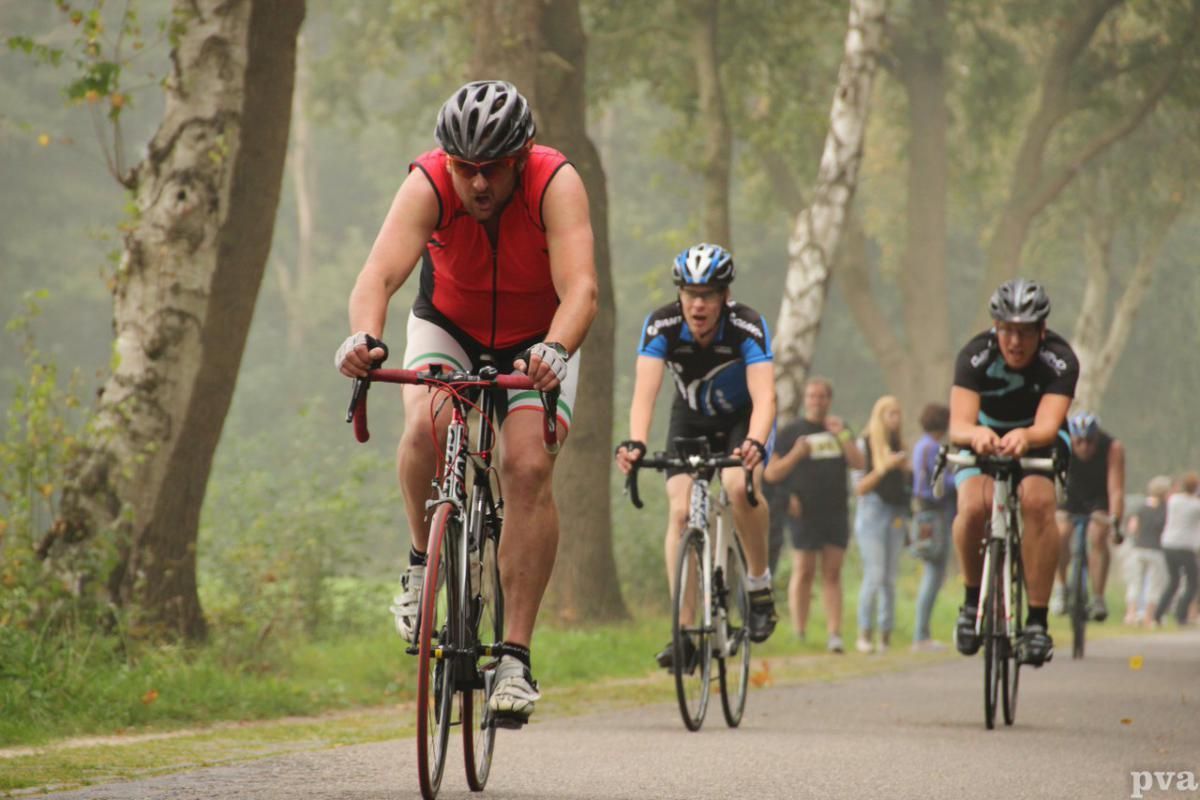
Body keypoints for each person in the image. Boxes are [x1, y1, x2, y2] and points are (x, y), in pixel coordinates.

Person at [335, 80, 598, 727]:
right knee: (428, 424)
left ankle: (514, 657)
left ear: (522, 156)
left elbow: (582, 288)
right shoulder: (426, 182)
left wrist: (557, 349)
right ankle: (423, 564)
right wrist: (365, 336)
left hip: (540, 338)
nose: (477, 184)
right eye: (465, 169)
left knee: (528, 466)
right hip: (448, 325)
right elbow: (380, 274)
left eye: (492, 169)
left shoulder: (554, 181)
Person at [614, 243, 779, 666]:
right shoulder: (662, 325)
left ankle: (758, 588)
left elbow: (765, 397)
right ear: (679, 295)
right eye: (690, 294)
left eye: (708, 295)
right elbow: (645, 393)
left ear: (725, 296)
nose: (698, 304)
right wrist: (635, 440)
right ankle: (685, 631)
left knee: (737, 486)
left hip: (743, 422)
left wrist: (756, 443)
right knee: (681, 513)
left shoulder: (746, 325)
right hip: (689, 418)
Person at [948, 279, 1078, 668]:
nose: (1015, 342)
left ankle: (1036, 622)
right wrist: (977, 434)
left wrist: (1025, 435)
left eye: (1024, 333)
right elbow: (958, 425)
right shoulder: (975, 355)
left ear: (1042, 331)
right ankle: (973, 603)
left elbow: (1048, 424)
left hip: (1037, 436)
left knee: (1038, 503)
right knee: (974, 507)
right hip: (982, 433)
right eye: (1007, 331)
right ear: (995, 328)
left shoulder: (1060, 359)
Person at [764, 377, 865, 653]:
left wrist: (842, 436)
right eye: (811, 397)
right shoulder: (790, 432)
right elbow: (772, 473)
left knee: (832, 572)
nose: (816, 402)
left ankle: (835, 634)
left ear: (829, 400)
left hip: (835, 510)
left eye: (821, 397)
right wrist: (797, 453)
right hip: (803, 511)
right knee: (804, 571)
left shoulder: (839, 429)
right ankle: (800, 631)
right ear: (805, 400)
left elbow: (859, 463)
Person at [1052, 412, 1126, 621]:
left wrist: (1116, 523)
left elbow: (1116, 490)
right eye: (1079, 442)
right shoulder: (1060, 445)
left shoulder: (1112, 448)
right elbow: (1049, 485)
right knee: (1061, 534)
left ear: (1097, 437)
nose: (1085, 447)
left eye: (1090, 442)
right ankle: (1061, 587)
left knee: (1097, 535)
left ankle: (1098, 597)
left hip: (1098, 497)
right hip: (1070, 495)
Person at [851, 395, 910, 654]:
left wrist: (906, 468)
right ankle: (864, 633)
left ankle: (885, 635)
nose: (896, 420)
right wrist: (885, 467)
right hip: (872, 512)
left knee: (889, 578)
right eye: (891, 414)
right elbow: (859, 487)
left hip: (896, 512)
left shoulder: (900, 444)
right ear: (880, 416)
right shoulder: (864, 444)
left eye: (898, 414)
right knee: (874, 575)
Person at [910, 403, 955, 652]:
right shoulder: (933, 448)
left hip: (924, 511)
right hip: (934, 511)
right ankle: (921, 634)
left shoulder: (920, 445)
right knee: (933, 573)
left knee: (932, 571)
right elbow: (937, 481)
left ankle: (922, 633)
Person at [1123, 475, 1171, 625]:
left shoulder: (1141, 507)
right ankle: (1149, 617)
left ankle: (1130, 615)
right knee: (1154, 585)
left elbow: (1132, 528)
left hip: (1138, 548)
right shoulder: (1166, 509)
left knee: (1135, 583)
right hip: (1156, 550)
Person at [1155, 472, 1200, 627]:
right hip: (1185, 546)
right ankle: (1181, 615)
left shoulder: (1174, 500)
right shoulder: (1195, 505)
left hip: (1168, 544)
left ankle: (1158, 613)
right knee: (1193, 583)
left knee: (1173, 581)